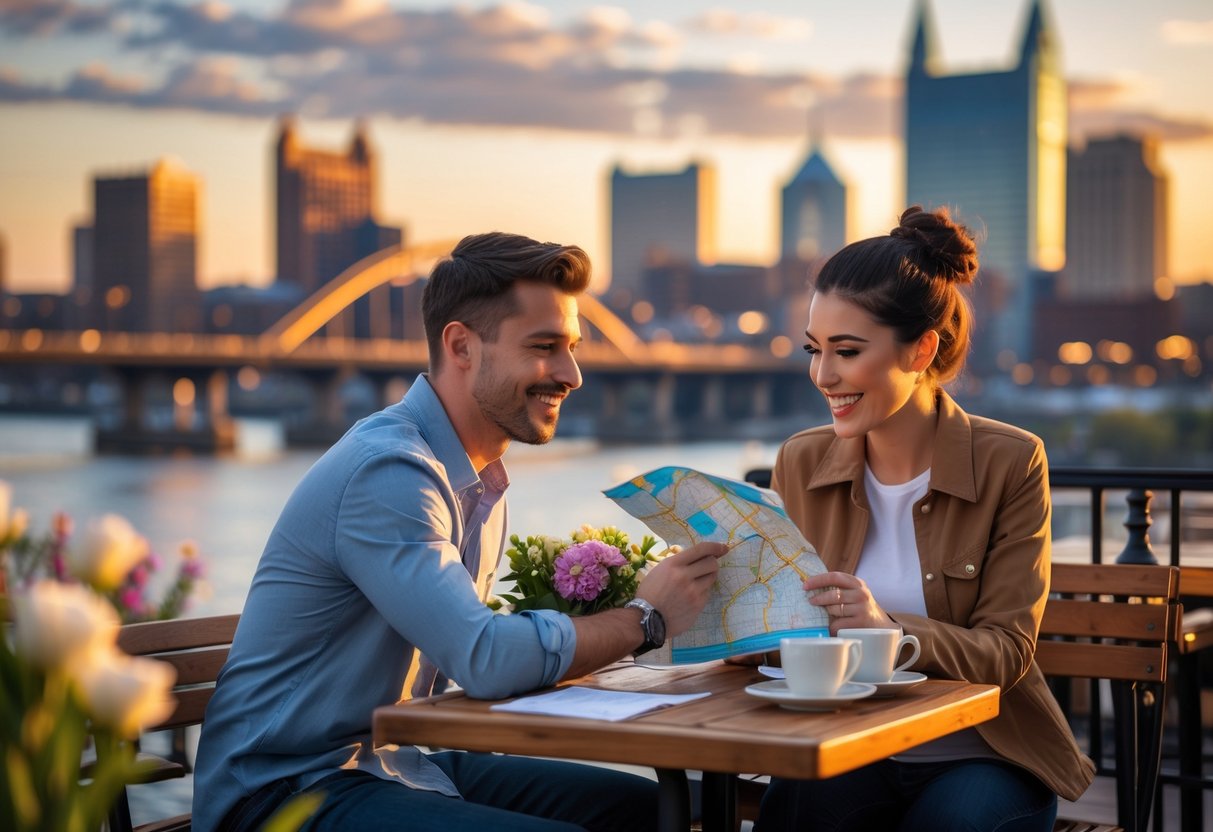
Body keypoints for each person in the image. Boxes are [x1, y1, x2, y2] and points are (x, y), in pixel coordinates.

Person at [192, 232, 727, 832]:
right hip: (283, 791)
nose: (573, 374)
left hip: (399, 763)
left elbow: (469, 668)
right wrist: (643, 618)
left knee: (654, 814)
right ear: (461, 346)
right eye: (544, 346)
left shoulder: (479, 481)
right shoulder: (390, 473)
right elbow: (486, 657)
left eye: (571, 347)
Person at [754, 207, 1094, 832]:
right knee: (791, 816)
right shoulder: (800, 461)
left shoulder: (1012, 462)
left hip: (986, 754)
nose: (823, 376)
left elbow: (1007, 653)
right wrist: (719, 604)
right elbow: (780, 634)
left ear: (922, 348)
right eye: (814, 350)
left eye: (847, 351)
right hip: (849, 744)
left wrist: (887, 628)